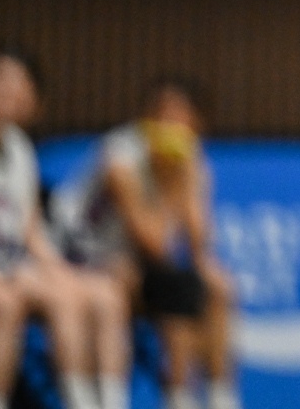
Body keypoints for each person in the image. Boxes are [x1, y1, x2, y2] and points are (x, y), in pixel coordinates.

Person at [0, 46, 131, 409]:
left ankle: (99, 402)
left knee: (89, 294)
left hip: (4, 262)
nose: (6, 90)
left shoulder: (21, 148)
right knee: (5, 302)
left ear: (33, 99)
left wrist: (59, 270)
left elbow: (31, 231)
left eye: (17, 83)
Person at [51, 79, 239, 409]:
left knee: (217, 287)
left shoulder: (192, 159)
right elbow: (152, 241)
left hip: (137, 260)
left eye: (180, 117)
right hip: (82, 254)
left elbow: (198, 242)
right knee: (172, 286)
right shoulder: (120, 155)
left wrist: (203, 263)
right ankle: (171, 395)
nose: (170, 124)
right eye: (162, 114)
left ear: (196, 124)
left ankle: (220, 396)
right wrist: (173, 185)